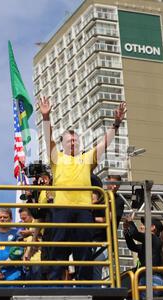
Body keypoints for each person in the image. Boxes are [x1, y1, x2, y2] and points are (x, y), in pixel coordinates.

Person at [38, 96, 127, 281]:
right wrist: (46, 117)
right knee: (57, 249)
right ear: (63, 144)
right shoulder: (57, 158)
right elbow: (48, 139)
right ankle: (54, 286)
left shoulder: (86, 158)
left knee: (84, 250)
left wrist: (116, 124)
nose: (73, 143)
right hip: (61, 210)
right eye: (70, 141)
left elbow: (104, 143)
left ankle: (85, 285)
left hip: (83, 210)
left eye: (76, 141)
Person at [123, 217, 163, 298]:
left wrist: (131, 222)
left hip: (151, 280)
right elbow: (132, 246)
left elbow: (135, 234)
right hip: (157, 281)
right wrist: (127, 232)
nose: (141, 227)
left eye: (144, 225)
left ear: (153, 227)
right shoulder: (151, 243)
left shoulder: (153, 239)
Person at [0, 208, 23, 282]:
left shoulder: (17, 234)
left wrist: (0, 267)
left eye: (5, 217)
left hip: (13, 277)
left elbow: (17, 252)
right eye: (0, 217)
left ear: (11, 219)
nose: (2, 219)